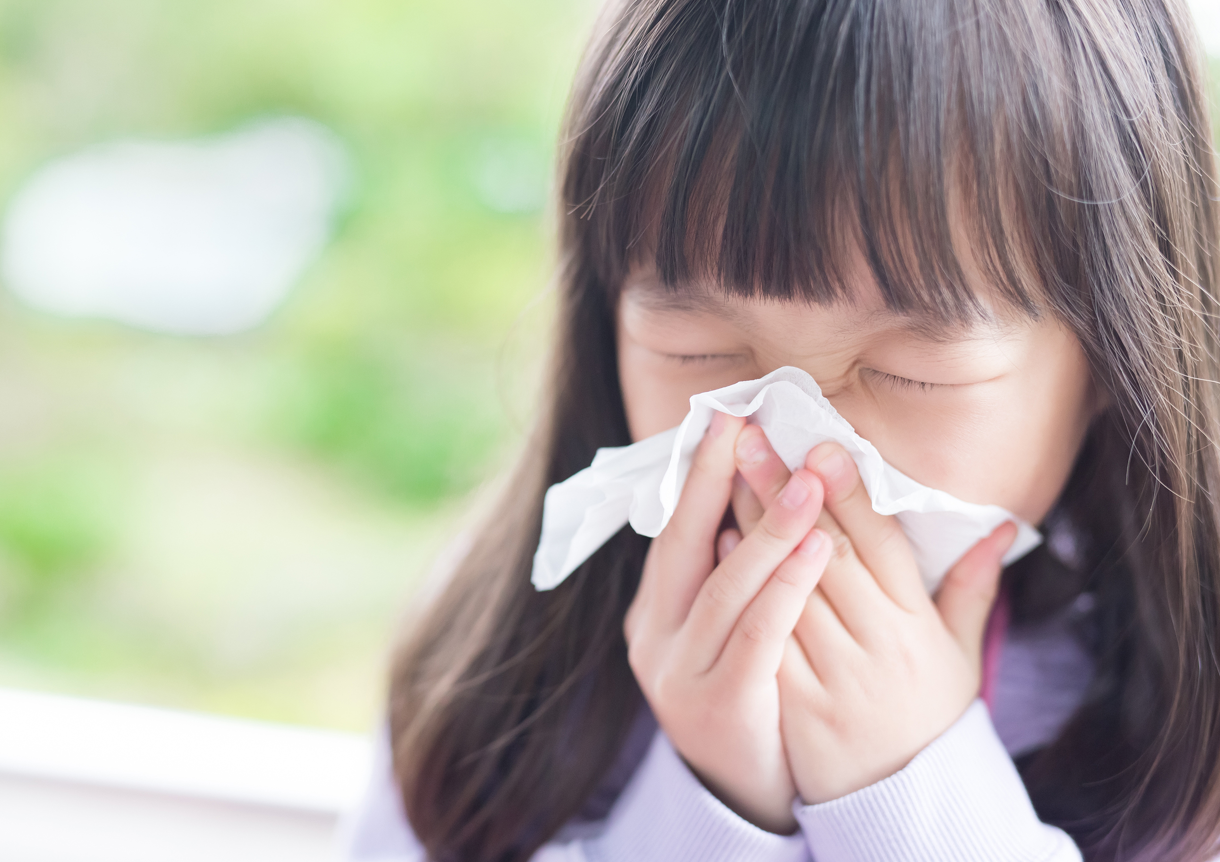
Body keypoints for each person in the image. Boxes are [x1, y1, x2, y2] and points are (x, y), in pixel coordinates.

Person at [339, 0, 1220, 858]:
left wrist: (907, 794)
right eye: (697, 349)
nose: (798, 452)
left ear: (1119, 355)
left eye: (911, 369)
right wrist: (715, 799)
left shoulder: (1193, 727)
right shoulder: (505, 670)